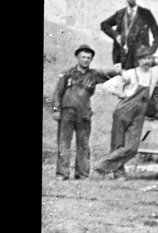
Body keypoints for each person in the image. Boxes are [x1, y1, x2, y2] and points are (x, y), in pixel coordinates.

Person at [93, 46, 158, 179]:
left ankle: (101, 165)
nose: (147, 61)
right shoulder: (130, 73)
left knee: (132, 147)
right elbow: (107, 85)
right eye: (144, 59)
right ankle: (119, 173)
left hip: (139, 112)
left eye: (149, 58)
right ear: (138, 61)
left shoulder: (154, 72)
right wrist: (121, 93)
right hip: (123, 110)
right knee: (117, 144)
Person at [51, 44, 121, 180]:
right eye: (83, 57)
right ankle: (62, 174)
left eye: (89, 58)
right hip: (67, 112)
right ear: (78, 57)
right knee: (64, 143)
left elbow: (111, 74)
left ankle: (82, 174)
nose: (86, 60)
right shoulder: (68, 73)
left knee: (83, 144)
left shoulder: (94, 75)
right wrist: (56, 109)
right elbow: (58, 92)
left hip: (84, 113)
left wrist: (120, 69)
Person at [100, 0, 158, 69]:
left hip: (140, 55)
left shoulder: (145, 13)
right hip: (121, 55)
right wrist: (116, 36)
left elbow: (157, 35)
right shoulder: (120, 13)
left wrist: (151, 50)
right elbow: (104, 24)